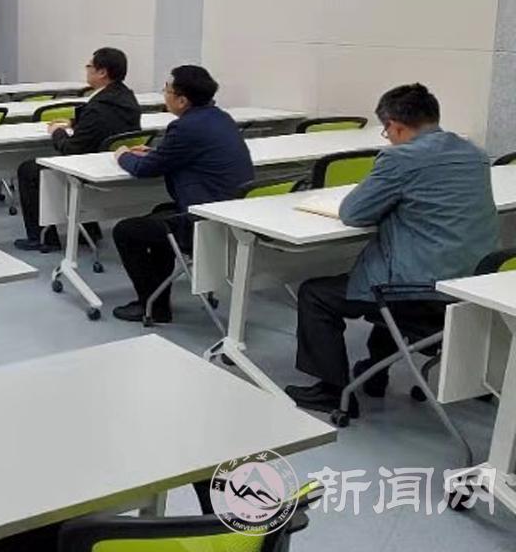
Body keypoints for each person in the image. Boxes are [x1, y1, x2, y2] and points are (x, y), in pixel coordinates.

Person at [284, 84, 497, 414]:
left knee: (317, 294)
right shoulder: (473, 153)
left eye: (387, 131)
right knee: (382, 271)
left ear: (395, 126)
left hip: (422, 290)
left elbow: (354, 213)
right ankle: (375, 372)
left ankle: (332, 391)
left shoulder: (402, 157)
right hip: (473, 283)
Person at [110, 65, 252, 323]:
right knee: (159, 215)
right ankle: (158, 303)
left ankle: (150, 305)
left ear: (182, 100)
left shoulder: (185, 127)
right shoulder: (220, 118)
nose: (164, 94)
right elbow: (186, 153)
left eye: (167, 90)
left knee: (126, 231)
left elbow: (144, 169)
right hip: (231, 216)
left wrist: (122, 154)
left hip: (205, 223)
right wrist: (157, 153)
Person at [14, 47, 142, 252]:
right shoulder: (127, 98)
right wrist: (74, 123)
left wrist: (57, 132)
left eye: (89, 66)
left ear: (102, 72)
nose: (86, 69)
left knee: (29, 170)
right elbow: (107, 121)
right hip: (113, 164)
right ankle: (89, 231)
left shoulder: (98, 107)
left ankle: (43, 237)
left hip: (90, 172)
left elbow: (70, 150)